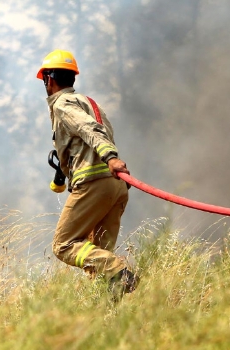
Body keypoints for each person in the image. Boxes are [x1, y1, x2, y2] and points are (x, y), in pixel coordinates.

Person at [36, 49, 138, 299]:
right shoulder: (90, 103)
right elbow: (86, 137)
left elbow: (87, 128)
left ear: (49, 79)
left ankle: (120, 269)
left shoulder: (63, 104)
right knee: (99, 262)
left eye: (44, 81)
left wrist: (111, 158)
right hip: (116, 187)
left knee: (64, 245)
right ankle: (107, 314)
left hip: (94, 184)